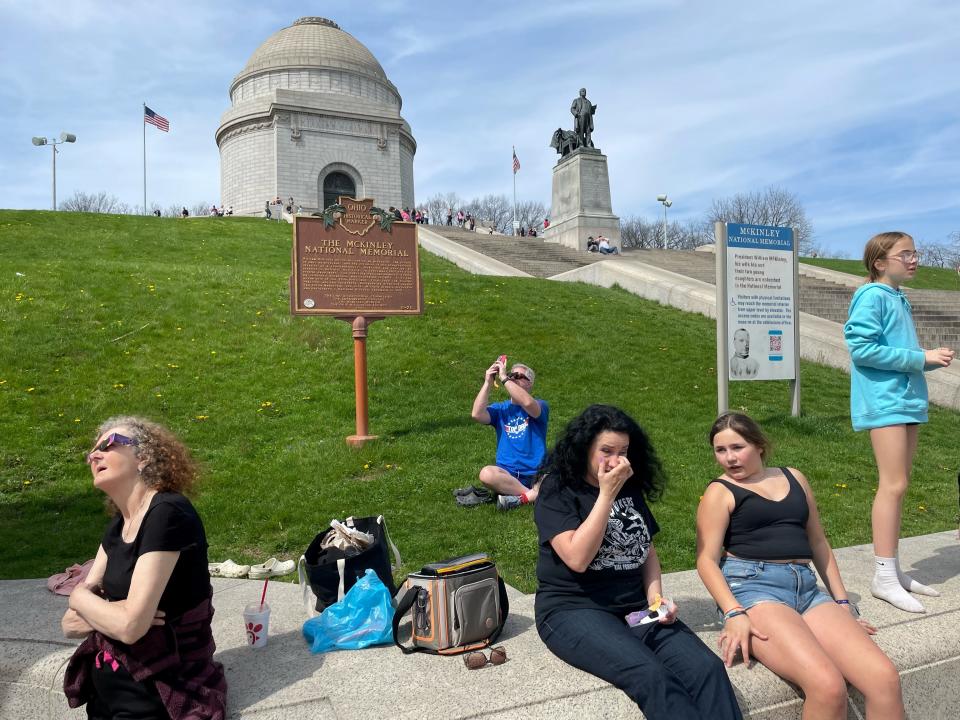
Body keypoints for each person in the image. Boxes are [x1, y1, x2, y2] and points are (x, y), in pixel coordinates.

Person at [536, 405, 743, 720]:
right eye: (606, 451)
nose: (616, 460)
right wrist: (606, 495)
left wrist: (656, 600)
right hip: (574, 609)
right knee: (651, 676)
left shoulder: (628, 487)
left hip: (633, 611)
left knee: (706, 669)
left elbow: (645, 550)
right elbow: (577, 558)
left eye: (623, 451)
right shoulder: (558, 488)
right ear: (584, 449)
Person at [697, 412, 904, 720]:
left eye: (737, 448)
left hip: (806, 590)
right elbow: (705, 560)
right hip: (754, 589)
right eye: (720, 450)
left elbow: (818, 542)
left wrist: (843, 602)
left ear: (760, 446)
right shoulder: (720, 491)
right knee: (827, 685)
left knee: (884, 678)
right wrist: (733, 612)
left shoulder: (794, 477)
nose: (729, 458)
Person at [62, 416, 226, 719]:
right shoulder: (118, 525)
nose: (94, 455)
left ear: (144, 457)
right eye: (91, 451)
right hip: (109, 691)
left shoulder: (167, 512)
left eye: (108, 444)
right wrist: (114, 610)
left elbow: (129, 627)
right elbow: (70, 625)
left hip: (160, 690)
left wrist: (81, 599)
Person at [844, 231, 954, 612]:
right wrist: (921, 358)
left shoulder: (896, 296)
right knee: (892, 485)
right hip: (886, 401)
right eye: (905, 254)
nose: (914, 259)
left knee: (899, 485)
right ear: (879, 262)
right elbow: (861, 349)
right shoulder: (872, 295)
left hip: (905, 401)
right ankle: (884, 577)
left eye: (915, 253)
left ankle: (893, 569)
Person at [470, 358, 548, 511]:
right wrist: (488, 382)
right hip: (509, 474)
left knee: (558, 477)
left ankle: (520, 498)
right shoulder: (501, 409)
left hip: (537, 472)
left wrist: (505, 378)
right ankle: (530, 496)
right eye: (512, 374)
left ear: (530, 383)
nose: (513, 378)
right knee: (486, 474)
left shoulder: (540, 405)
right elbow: (477, 414)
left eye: (519, 376)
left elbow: (527, 403)